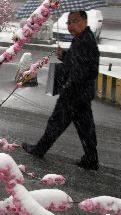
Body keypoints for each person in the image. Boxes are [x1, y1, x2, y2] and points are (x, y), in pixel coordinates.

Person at [22, 10, 100, 171]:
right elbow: (78, 62)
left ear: (84, 21)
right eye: (68, 22)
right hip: (82, 94)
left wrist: (69, 84)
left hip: (74, 93)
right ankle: (91, 159)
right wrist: (64, 56)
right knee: (86, 128)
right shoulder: (82, 38)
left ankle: (39, 150)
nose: (71, 25)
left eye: (74, 21)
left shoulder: (85, 41)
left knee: (56, 123)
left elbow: (87, 69)